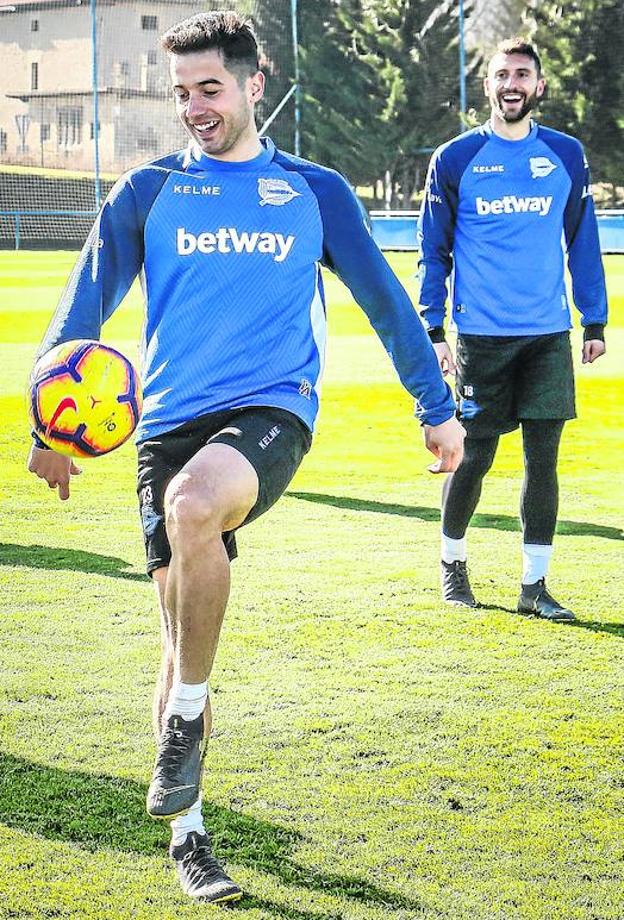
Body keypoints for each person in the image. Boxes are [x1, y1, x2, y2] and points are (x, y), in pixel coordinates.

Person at [27, 11, 464, 905]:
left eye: (210, 90)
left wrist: (437, 409)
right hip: (167, 427)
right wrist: (50, 429)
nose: (194, 108)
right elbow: (80, 316)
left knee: (196, 506)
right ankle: (190, 837)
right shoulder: (146, 194)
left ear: (254, 85)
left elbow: (384, 301)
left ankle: (183, 721)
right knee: (177, 630)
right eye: (181, 93)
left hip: (272, 413)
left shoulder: (314, 191)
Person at [417, 37, 608, 621]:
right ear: (488, 85)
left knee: (542, 461)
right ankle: (453, 564)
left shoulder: (566, 155)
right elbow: (434, 249)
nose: (512, 85)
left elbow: (582, 240)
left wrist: (593, 319)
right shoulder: (454, 159)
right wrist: (434, 328)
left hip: (547, 335)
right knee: (474, 457)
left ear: (539, 85)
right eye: (502, 75)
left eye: (522, 74)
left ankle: (535, 585)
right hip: (481, 339)